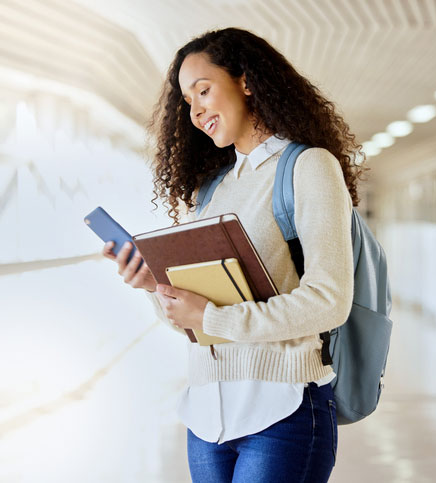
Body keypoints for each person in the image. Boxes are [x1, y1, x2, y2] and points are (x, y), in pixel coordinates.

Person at [102, 28, 362, 483]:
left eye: (204, 90)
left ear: (246, 81)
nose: (196, 109)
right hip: (207, 415)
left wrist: (214, 320)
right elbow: (195, 322)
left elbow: (329, 300)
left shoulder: (307, 166)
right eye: (187, 100)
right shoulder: (211, 191)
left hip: (283, 408)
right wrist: (153, 287)